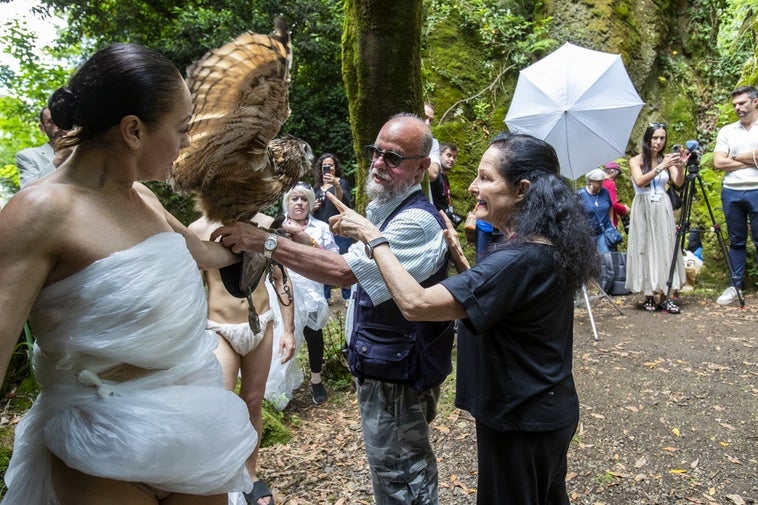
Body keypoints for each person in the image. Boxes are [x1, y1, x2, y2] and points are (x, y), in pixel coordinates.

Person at [0, 43, 257, 504]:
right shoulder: (37, 214)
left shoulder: (146, 199)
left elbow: (202, 253)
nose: (185, 143)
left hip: (188, 424)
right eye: (180, 129)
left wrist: (255, 245)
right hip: (96, 440)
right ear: (133, 130)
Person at [330, 132, 599, 505]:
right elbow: (500, 304)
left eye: (486, 178)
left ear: (522, 189)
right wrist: (461, 261)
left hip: (519, 420)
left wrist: (373, 237)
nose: (473, 187)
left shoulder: (518, 259)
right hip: (544, 410)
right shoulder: (543, 248)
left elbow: (416, 303)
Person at [213, 113, 454, 505]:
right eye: (376, 152)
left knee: (402, 476)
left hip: (399, 371)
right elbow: (348, 266)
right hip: (383, 363)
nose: (378, 163)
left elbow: (345, 273)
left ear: (423, 167)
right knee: (392, 470)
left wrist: (265, 243)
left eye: (393, 158)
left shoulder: (415, 221)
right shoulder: (385, 210)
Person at [189, 213, 296, 505]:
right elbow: (189, 285)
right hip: (219, 328)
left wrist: (289, 329)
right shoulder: (197, 229)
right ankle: (222, 475)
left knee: (252, 401)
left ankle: (250, 474)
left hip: (260, 322)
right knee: (221, 405)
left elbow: (279, 276)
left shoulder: (262, 223)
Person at [281, 183, 340, 404]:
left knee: (314, 337)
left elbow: (334, 258)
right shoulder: (277, 226)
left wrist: (309, 240)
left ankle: (316, 380)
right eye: (294, 199)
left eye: (304, 199)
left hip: (312, 290)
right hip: (284, 291)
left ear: (311, 203)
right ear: (287, 202)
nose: (299, 203)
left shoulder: (321, 228)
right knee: (283, 336)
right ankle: (281, 385)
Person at [625, 122, 686, 313]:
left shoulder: (666, 159)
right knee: (644, 246)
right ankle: (648, 294)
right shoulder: (636, 161)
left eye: (662, 138)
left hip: (662, 205)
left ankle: (665, 294)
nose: (658, 142)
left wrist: (679, 166)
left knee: (665, 246)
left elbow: (678, 182)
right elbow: (640, 181)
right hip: (642, 206)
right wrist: (661, 167)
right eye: (655, 138)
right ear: (647, 138)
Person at [713, 85, 758, 305]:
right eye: (734, 105)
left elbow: (726, 161)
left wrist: (735, 158)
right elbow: (718, 162)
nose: (737, 108)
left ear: (755, 102)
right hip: (732, 191)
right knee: (736, 241)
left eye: (741, 103)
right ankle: (735, 285)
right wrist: (751, 158)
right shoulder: (727, 131)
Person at [312, 152, 354, 305]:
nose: (327, 168)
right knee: (324, 262)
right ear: (320, 169)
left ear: (335, 167)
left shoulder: (341, 183)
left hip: (339, 229)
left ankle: (348, 296)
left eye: (330, 165)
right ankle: (326, 296)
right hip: (322, 230)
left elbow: (343, 204)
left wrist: (336, 185)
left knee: (344, 261)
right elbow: (310, 211)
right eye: (324, 166)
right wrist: (312, 208)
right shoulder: (317, 187)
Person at [15, 107, 66, 187]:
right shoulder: (28, 156)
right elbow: (28, 190)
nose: (59, 126)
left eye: (63, 120)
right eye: (52, 121)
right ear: (42, 128)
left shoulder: (87, 151)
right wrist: (61, 157)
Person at [578, 168, 615, 253]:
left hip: (604, 232)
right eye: (599, 182)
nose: (602, 184)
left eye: (602, 181)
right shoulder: (580, 194)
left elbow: (610, 207)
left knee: (606, 257)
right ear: (591, 181)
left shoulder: (605, 192)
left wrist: (611, 223)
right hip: (589, 234)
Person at [430, 142, 463, 226]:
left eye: (454, 157)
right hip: (434, 221)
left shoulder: (444, 176)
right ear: (439, 155)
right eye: (448, 155)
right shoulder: (434, 176)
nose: (452, 159)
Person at [602, 161, 631, 232]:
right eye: (617, 175)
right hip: (609, 221)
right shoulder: (610, 183)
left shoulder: (598, 182)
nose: (616, 178)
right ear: (612, 172)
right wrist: (624, 209)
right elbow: (613, 204)